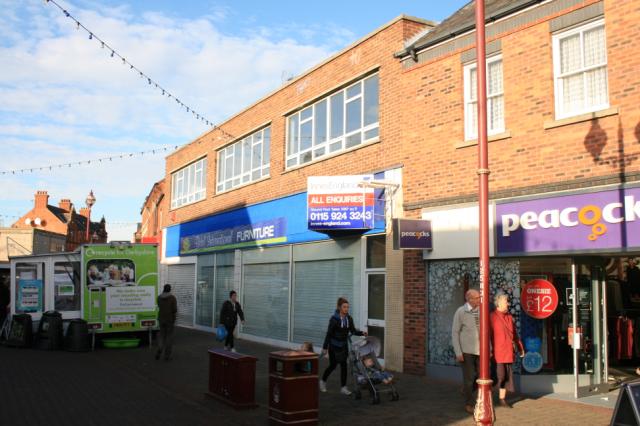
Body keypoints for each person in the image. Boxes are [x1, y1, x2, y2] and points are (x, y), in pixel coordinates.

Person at [319, 297, 366, 395]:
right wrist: (325, 347)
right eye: (344, 307)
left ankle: (343, 388)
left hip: (343, 345)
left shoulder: (349, 318)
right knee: (333, 365)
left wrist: (362, 333)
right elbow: (329, 334)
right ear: (339, 307)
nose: (346, 309)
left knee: (344, 365)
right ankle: (322, 381)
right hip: (333, 346)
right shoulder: (334, 319)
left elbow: (353, 331)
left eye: (348, 307)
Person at [490, 293, 524, 408]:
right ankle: (486, 396)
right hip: (497, 353)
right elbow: (487, 336)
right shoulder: (492, 317)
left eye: (508, 301)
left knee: (506, 378)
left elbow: (514, 335)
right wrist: (488, 350)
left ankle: (502, 399)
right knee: (499, 376)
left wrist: (520, 348)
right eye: (506, 301)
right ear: (498, 303)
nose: (508, 304)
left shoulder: (509, 317)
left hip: (508, 352)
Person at [452, 289, 480, 415]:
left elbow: (485, 332)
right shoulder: (461, 311)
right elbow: (455, 332)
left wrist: (489, 348)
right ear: (470, 299)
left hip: (480, 350)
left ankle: (466, 389)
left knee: (482, 376)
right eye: (477, 298)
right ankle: (469, 403)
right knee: (469, 378)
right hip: (466, 351)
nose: (479, 300)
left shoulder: (481, 311)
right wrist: (458, 352)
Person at [156, 284, 177, 361]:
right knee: (169, 337)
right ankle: (167, 356)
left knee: (161, 335)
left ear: (163, 289)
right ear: (170, 289)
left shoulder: (159, 297)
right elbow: (174, 309)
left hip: (161, 319)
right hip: (169, 320)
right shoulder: (172, 298)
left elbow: (159, 306)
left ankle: (160, 348)